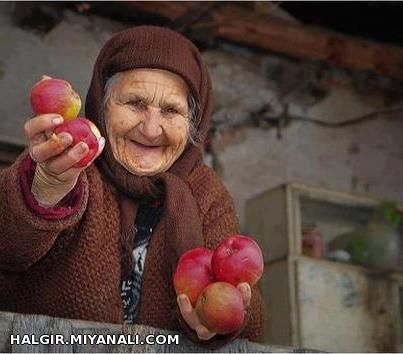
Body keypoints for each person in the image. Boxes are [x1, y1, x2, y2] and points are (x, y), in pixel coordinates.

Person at [0, 26, 263, 347]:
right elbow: (8, 248)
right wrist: (46, 187)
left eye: (171, 110)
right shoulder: (69, 162)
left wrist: (222, 320)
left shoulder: (207, 193)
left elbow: (253, 317)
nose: (151, 130)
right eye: (135, 103)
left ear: (193, 122)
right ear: (102, 104)